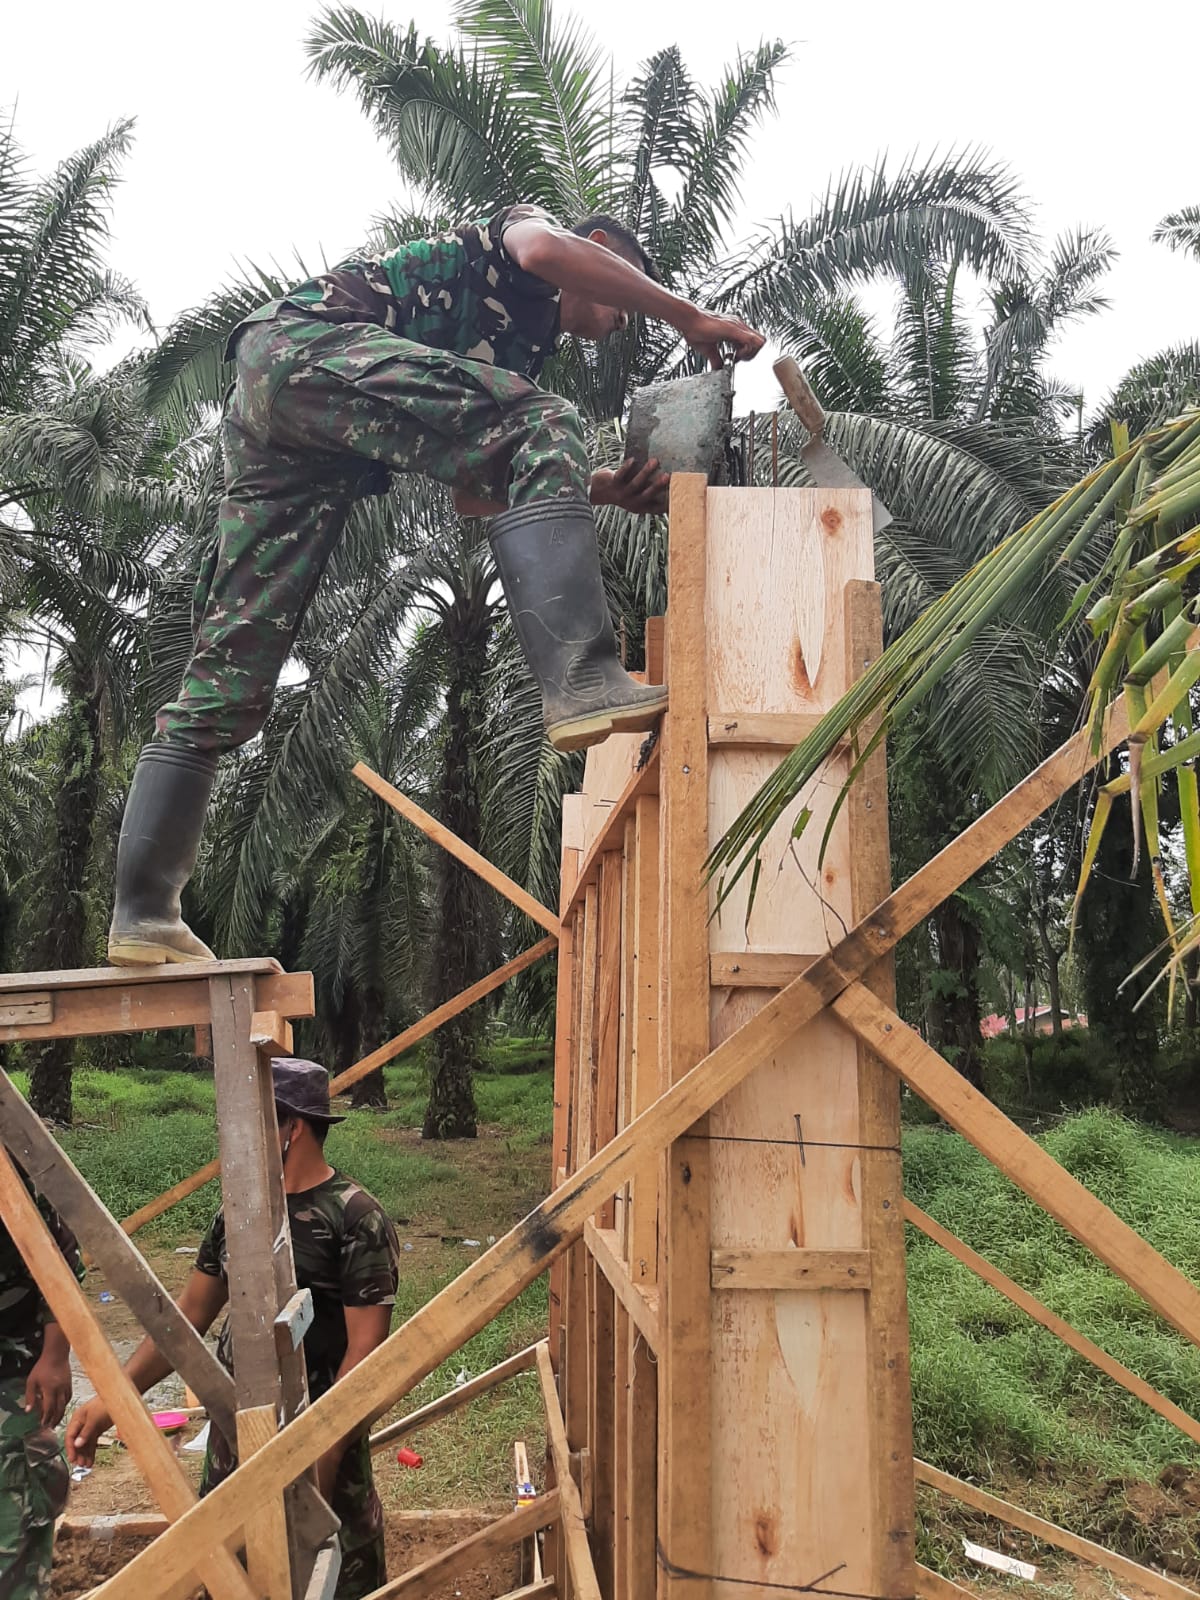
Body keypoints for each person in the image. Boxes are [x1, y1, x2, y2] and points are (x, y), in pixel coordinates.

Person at [106, 205, 765, 965]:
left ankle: (143, 913)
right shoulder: (523, 238)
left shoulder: (516, 357)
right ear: (602, 251)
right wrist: (689, 316)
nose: (623, 322)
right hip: (306, 349)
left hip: (283, 422)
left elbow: (477, 494)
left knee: (231, 675)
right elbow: (547, 248)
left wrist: (607, 488)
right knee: (544, 420)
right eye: (624, 297)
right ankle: (583, 680)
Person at [67, 1059, 400, 1598]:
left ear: (290, 1127)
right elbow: (188, 1318)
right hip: (234, 1443)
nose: (236, 1138)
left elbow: (365, 1351)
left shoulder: (355, 1218)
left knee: (331, 1576)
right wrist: (115, 1400)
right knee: (231, 1577)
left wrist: (322, 1457)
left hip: (318, 1447)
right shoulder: (238, 1213)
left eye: (251, 1122)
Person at [0, 1179, 80, 1600]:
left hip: (13, 1374)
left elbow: (61, 1257)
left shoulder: (9, 1179)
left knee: (14, 1518)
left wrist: (54, 1354)